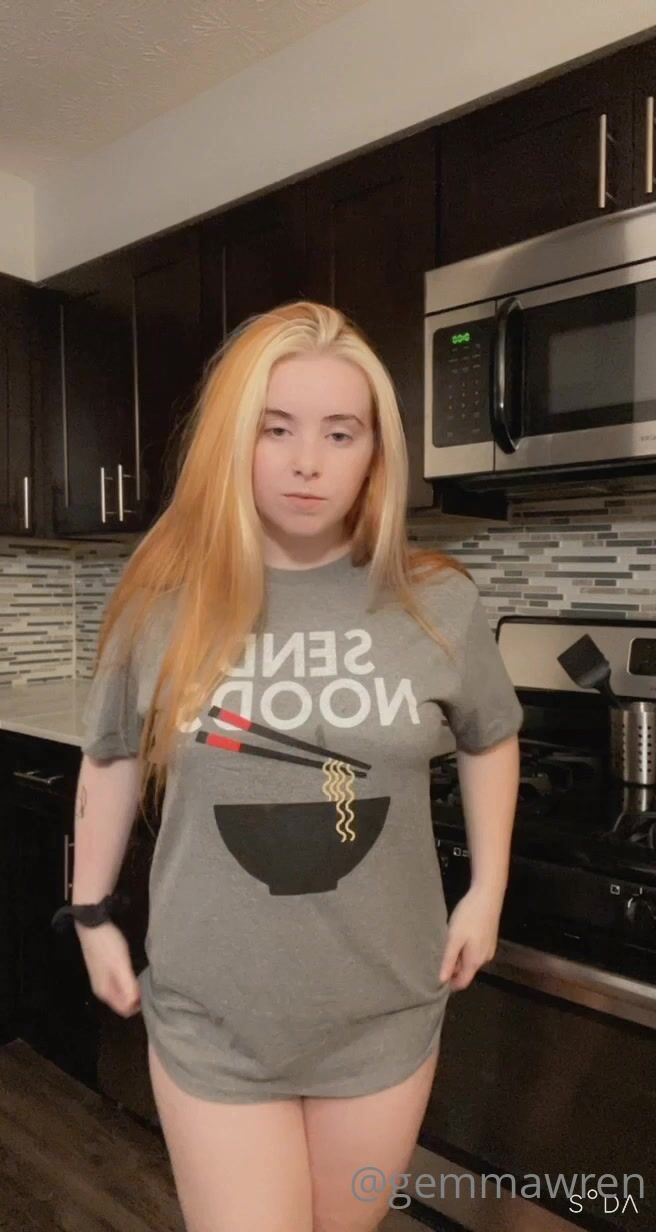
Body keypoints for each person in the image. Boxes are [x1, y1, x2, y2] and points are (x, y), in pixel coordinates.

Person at [69, 301, 522, 1232]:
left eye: (339, 432)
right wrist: (89, 912)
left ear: (375, 453)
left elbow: (490, 736)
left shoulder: (437, 600)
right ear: (232, 442)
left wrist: (488, 891)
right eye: (275, 429)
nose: (307, 461)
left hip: (383, 1009)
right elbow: (108, 758)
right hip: (215, 1017)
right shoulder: (160, 601)